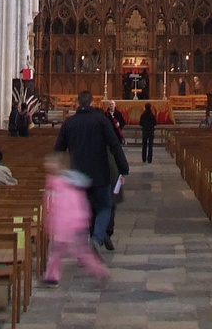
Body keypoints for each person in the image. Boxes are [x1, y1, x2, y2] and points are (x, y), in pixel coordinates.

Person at [54, 90, 128, 251]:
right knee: (104, 207)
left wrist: (59, 172)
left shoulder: (69, 123)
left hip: (77, 175)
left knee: (81, 212)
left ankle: (83, 249)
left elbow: (58, 150)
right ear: (93, 103)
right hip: (100, 174)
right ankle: (97, 238)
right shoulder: (101, 120)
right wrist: (123, 169)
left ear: (77, 104)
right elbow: (115, 145)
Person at [42, 153, 109, 287]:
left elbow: (66, 207)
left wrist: (64, 224)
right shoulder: (58, 183)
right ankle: (51, 277)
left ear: (60, 166)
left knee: (81, 254)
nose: (47, 165)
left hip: (70, 225)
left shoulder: (63, 184)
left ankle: (101, 271)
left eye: (52, 162)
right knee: (57, 252)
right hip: (67, 224)